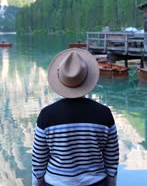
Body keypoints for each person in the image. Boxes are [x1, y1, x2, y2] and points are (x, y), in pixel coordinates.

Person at [32, 48, 119, 186]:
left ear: (61, 81)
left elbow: (39, 160)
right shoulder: (104, 113)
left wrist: (38, 183)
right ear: (87, 79)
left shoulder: (46, 116)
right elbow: (112, 158)